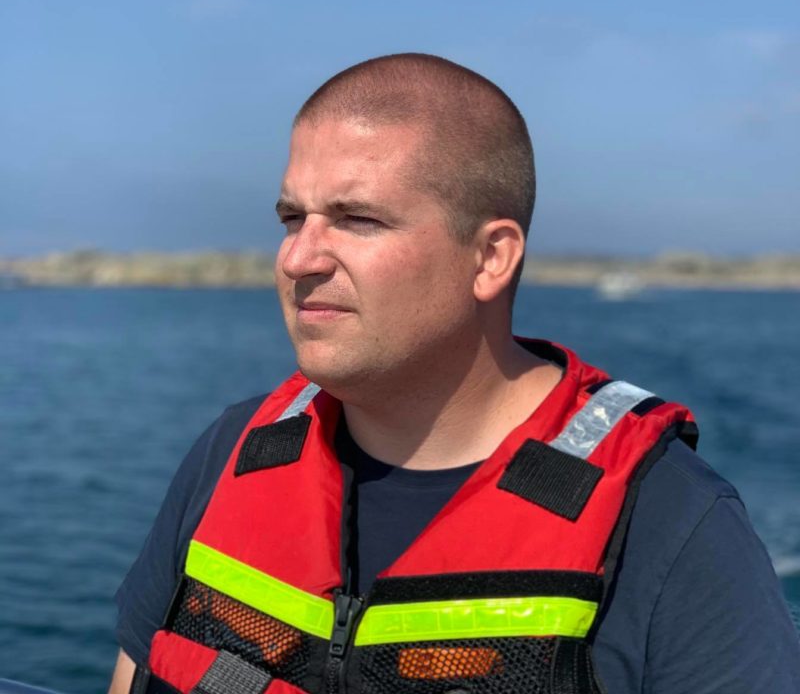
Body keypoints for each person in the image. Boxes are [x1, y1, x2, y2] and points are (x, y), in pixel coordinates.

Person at [109, 54, 799, 694]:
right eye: (293, 218)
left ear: (491, 258)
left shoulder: (674, 526)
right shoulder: (233, 452)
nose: (298, 259)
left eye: (358, 219)